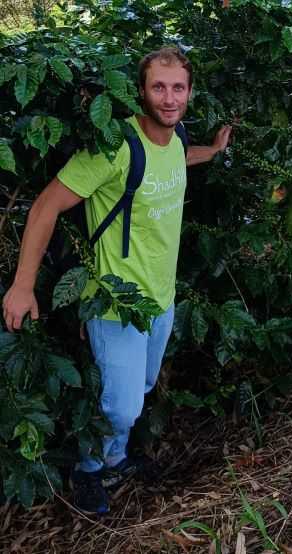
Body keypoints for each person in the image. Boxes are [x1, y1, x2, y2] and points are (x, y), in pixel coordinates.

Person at [1, 47, 232, 514]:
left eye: (178, 88)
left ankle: (116, 457)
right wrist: (23, 285)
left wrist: (215, 151)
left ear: (189, 92)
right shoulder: (115, 148)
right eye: (158, 87)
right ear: (141, 92)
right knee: (122, 406)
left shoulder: (176, 135)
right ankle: (88, 469)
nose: (169, 99)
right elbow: (47, 206)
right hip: (113, 302)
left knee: (140, 388)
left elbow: (179, 157)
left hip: (160, 299)